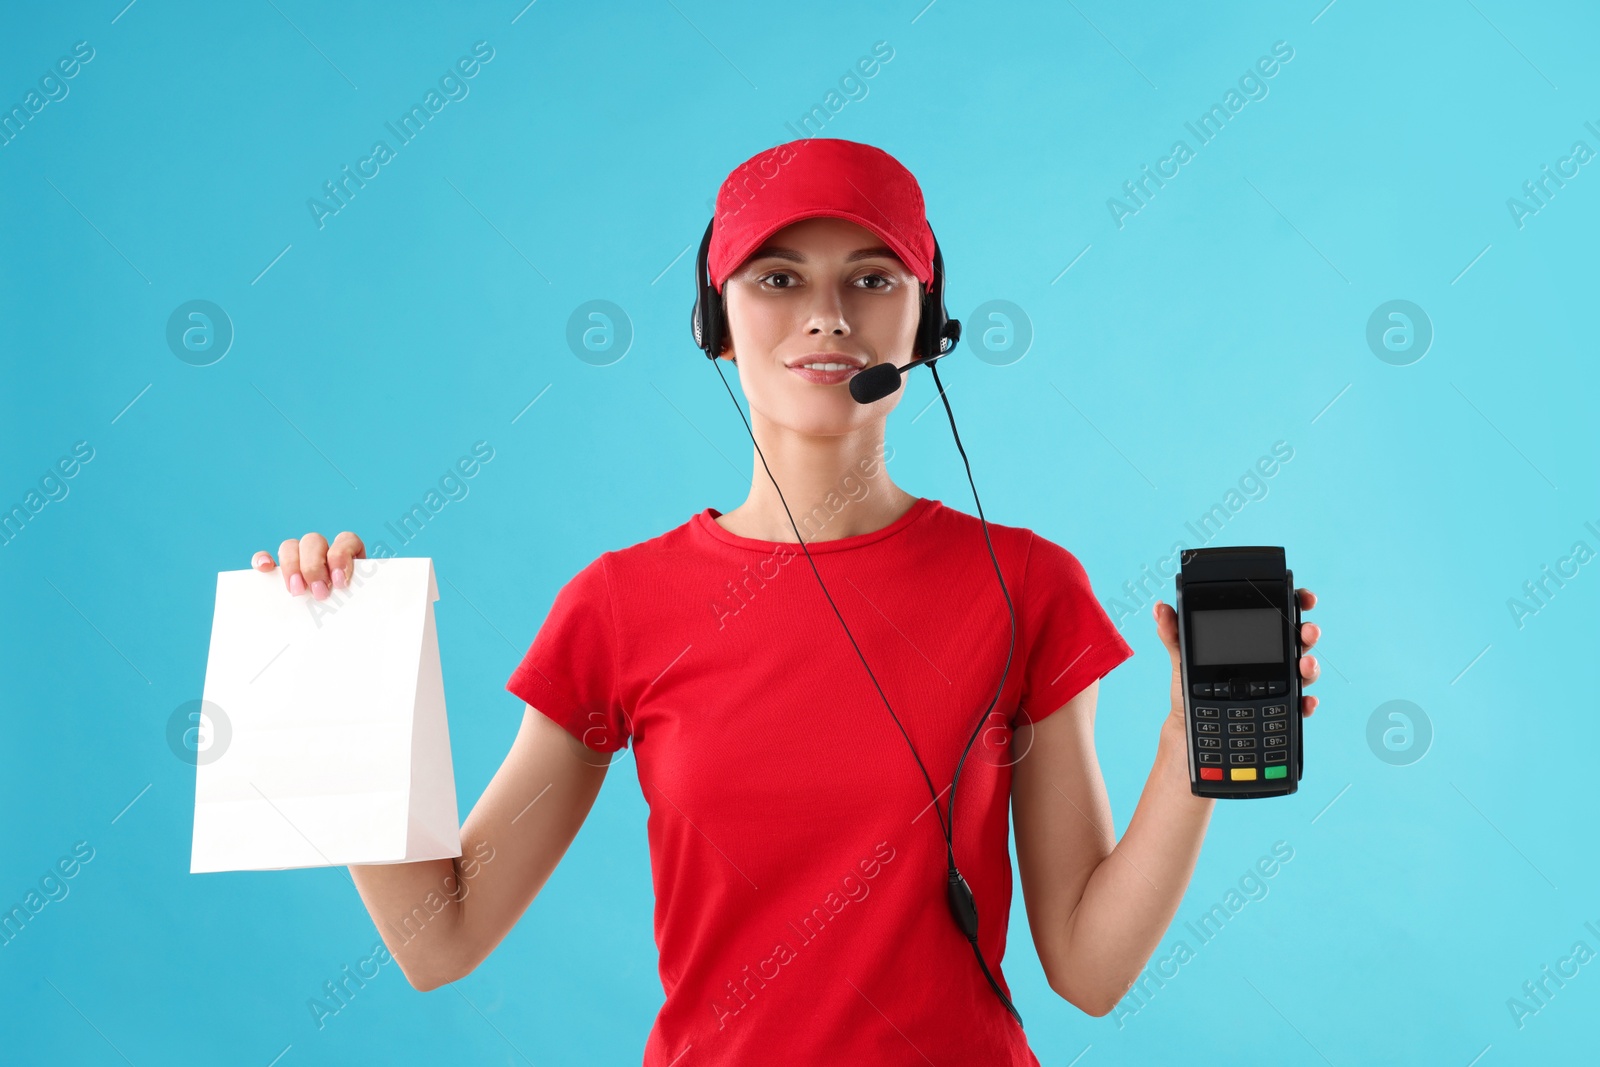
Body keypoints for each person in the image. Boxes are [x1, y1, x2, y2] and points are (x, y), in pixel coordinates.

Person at [248, 137, 1322, 1065]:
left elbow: (1087, 967)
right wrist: (339, 686)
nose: (825, 317)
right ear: (713, 320)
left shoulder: (1025, 585)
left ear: (927, 318)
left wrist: (1195, 738)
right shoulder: (620, 604)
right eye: (775, 279)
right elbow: (443, 937)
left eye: (870, 277)